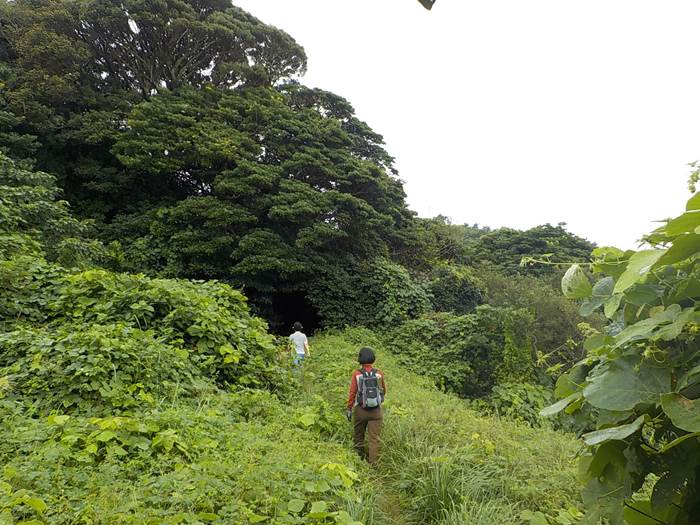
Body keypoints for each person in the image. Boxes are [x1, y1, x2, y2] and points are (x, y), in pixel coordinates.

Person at [346, 347, 387, 465]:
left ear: (360, 359)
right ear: (373, 359)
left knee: (359, 435)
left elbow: (352, 393)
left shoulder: (357, 374)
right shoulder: (379, 373)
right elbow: (383, 390)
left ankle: (359, 460)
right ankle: (374, 464)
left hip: (360, 410)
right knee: (374, 439)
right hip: (376, 411)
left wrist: (349, 408)